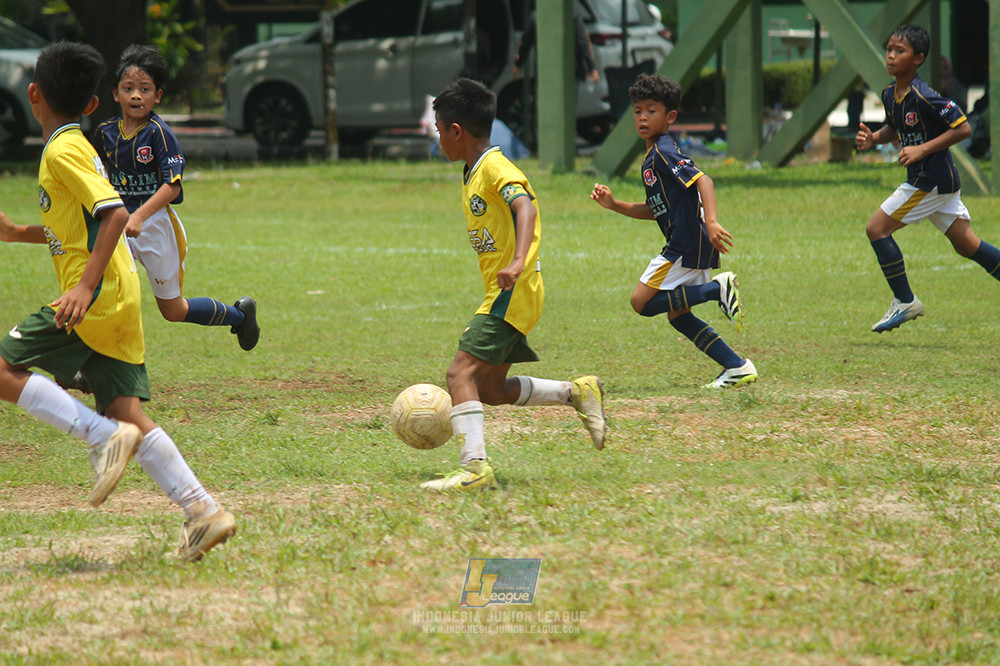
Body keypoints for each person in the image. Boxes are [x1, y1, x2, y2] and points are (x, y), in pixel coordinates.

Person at [0, 41, 236, 562]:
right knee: (127, 412)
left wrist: (84, 287)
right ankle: (203, 511)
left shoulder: (63, 150)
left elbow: (114, 215)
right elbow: (81, 223)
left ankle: (99, 436)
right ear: (93, 103)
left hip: (97, 294)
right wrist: (17, 233)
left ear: (34, 94)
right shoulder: (79, 144)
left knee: (2, 370)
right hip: (118, 290)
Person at [420, 78, 607, 492]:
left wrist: (518, 261)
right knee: (490, 388)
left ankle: (475, 470)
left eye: (439, 130)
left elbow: (525, 207)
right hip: (510, 293)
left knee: (459, 375)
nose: (437, 139)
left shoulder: (496, 167)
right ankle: (575, 393)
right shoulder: (474, 170)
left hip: (512, 292)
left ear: (456, 131)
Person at [590, 74, 757, 389]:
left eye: (651, 111)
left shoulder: (664, 151)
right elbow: (655, 208)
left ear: (670, 117)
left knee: (641, 302)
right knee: (678, 316)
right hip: (692, 241)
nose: (643, 117)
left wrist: (712, 221)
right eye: (638, 110)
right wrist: (614, 205)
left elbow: (703, 180)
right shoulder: (653, 156)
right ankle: (736, 366)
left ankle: (715, 290)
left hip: (685, 242)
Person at [95, 44, 259, 351]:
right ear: (115, 94)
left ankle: (240, 316)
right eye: (128, 88)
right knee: (104, 290)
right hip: (117, 224)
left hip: (154, 225)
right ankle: (99, 359)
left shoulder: (158, 132)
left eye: (144, 89)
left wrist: (139, 216)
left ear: (157, 96)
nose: (136, 96)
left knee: (173, 311)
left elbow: (173, 187)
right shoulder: (105, 133)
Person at [855, 25, 1000, 333]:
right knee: (968, 246)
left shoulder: (925, 95)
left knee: (876, 229)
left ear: (918, 58)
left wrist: (922, 149)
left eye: (900, 51)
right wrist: (874, 139)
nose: (891, 55)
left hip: (929, 182)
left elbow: (963, 128)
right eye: (889, 49)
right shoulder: (890, 94)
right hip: (938, 183)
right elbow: (895, 127)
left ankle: (905, 301)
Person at [512, 10, 600, 86]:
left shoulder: (537, 16)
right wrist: (591, 67)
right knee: (570, 97)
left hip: (546, 69)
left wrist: (518, 64)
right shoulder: (573, 15)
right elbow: (583, 42)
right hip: (571, 69)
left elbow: (525, 42)